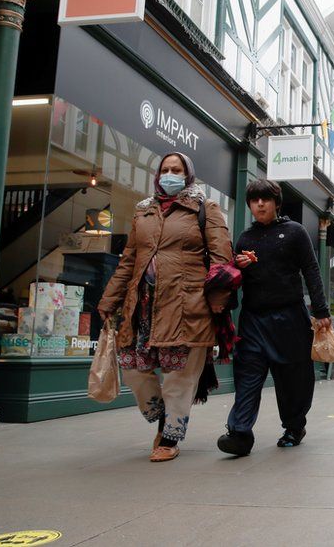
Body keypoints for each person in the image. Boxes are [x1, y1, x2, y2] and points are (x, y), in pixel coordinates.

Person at [98, 152, 233, 462]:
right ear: (157, 175)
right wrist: (109, 300)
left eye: (177, 169)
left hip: (187, 304)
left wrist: (215, 302)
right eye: (165, 169)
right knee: (133, 367)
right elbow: (129, 261)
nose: (170, 174)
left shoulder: (205, 209)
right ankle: (161, 417)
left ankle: (171, 434)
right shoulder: (143, 212)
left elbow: (222, 260)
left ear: (188, 175)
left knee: (179, 374)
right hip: (142, 304)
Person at [217, 179, 331, 456]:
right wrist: (237, 267)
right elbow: (233, 281)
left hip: (289, 317)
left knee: (293, 376)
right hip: (253, 318)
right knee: (247, 375)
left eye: (265, 199)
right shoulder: (245, 239)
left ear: (276, 203)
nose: (259, 204)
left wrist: (321, 311)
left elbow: (311, 270)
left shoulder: (294, 232)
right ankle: (240, 433)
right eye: (254, 200)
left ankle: (294, 426)